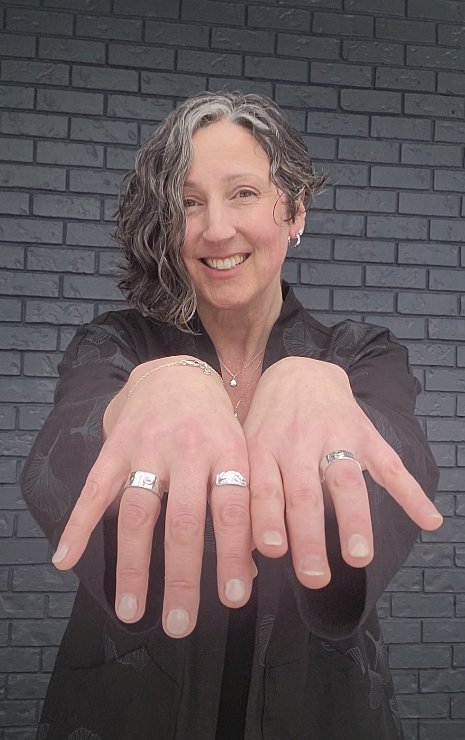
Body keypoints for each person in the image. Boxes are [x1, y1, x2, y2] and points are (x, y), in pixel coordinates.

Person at [22, 91, 442, 740]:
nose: (215, 228)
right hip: (125, 712)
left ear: (295, 211)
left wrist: (309, 384)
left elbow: (392, 479)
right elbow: (57, 461)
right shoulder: (117, 345)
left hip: (317, 711)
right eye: (188, 203)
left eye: (243, 193)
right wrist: (163, 387)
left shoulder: (359, 355)